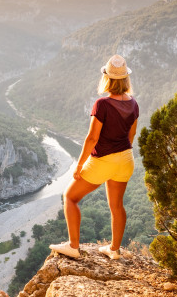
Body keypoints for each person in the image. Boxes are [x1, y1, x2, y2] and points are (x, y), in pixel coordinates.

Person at [50, 54, 139, 260]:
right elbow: (131, 135)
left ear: (107, 78)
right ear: (126, 79)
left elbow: (91, 139)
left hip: (103, 159)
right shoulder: (133, 104)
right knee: (117, 206)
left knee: (70, 197)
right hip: (126, 158)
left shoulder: (102, 104)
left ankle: (73, 246)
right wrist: (120, 154)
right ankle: (114, 250)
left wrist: (79, 166)